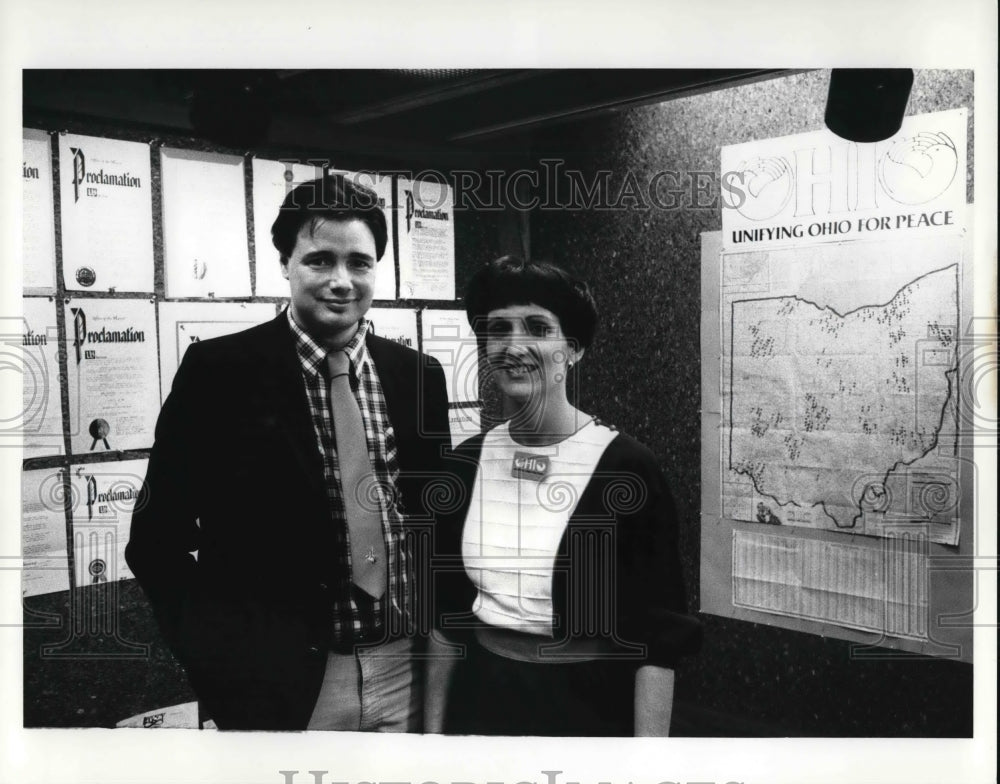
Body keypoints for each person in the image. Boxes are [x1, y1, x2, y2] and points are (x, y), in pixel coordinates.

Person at [126, 174, 450, 731]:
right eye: (320, 260)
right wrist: (217, 662)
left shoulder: (417, 376)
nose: (342, 281)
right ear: (285, 263)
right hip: (280, 682)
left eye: (360, 263)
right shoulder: (220, 374)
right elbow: (157, 540)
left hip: (406, 668)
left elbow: (437, 522)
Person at [426, 256, 701, 736]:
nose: (514, 346)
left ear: (573, 349)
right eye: (499, 329)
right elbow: (446, 617)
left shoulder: (626, 467)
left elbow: (658, 639)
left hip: (585, 704)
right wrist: (431, 741)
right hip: (481, 696)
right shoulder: (466, 463)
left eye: (537, 327)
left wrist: (647, 764)